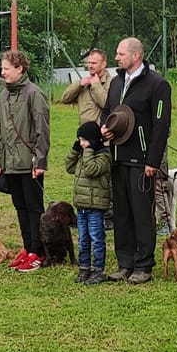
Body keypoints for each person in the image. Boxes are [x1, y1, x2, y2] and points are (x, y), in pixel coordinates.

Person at [103, 37, 172, 284]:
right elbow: (107, 111)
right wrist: (104, 128)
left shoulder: (157, 84)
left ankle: (144, 264)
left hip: (142, 160)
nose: (117, 58)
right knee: (121, 213)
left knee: (142, 213)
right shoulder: (115, 81)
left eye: (121, 54)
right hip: (118, 157)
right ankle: (125, 262)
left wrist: (152, 160)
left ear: (136, 56)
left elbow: (161, 125)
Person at [0, 50, 50, 273]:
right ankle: (27, 248)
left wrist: (40, 162)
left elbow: (42, 130)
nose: (3, 72)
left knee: (34, 208)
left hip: (29, 164)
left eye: (6, 68)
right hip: (10, 163)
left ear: (20, 69)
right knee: (19, 206)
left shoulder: (34, 94)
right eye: (2, 68)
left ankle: (38, 252)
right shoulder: (2, 95)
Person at [66, 120, 113, 285]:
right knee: (82, 239)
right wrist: (75, 150)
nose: (81, 144)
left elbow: (92, 170)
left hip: (95, 206)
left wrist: (89, 150)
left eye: (83, 140)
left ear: (92, 141)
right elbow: (69, 167)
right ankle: (84, 267)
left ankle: (98, 269)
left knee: (96, 238)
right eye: (79, 140)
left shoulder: (104, 157)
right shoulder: (83, 156)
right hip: (82, 205)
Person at [59, 48, 111, 125]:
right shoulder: (84, 83)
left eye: (94, 63)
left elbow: (107, 105)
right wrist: (79, 84)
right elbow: (64, 99)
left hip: (102, 131)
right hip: (84, 132)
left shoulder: (112, 82)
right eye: (89, 63)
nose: (90, 66)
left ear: (103, 64)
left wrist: (96, 86)